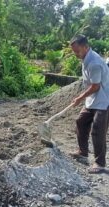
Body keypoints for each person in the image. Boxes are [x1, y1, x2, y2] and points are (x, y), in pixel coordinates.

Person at [70, 34, 109, 173]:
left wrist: (79, 98)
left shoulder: (94, 62)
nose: (75, 54)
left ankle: (100, 164)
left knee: (98, 131)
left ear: (85, 47)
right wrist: (83, 98)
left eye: (77, 51)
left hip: (104, 100)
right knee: (81, 121)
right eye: (74, 51)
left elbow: (95, 86)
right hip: (93, 99)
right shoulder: (85, 58)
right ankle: (83, 151)